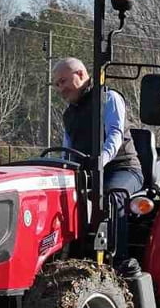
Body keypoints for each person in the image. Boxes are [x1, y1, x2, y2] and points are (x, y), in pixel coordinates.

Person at [51, 57, 143, 270]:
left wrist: (101, 160)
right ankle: (65, 255)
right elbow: (68, 149)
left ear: (81, 75)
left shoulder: (108, 99)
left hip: (123, 168)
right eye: (56, 84)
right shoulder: (69, 114)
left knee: (112, 194)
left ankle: (119, 260)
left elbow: (115, 134)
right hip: (88, 173)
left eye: (63, 81)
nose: (60, 89)